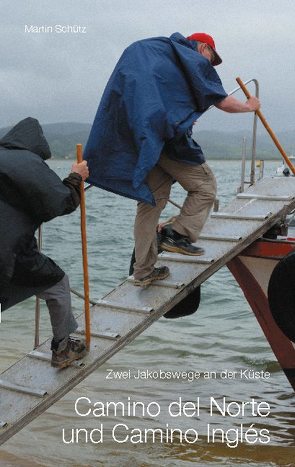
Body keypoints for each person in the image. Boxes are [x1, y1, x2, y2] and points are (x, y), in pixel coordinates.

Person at [84, 32, 260, 287]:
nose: (210, 64)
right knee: (205, 186)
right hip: (166, 139)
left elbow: (160, 95)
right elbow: (220, 100)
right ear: (203, 48)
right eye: (212, 56)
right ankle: (177, 234)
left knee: (150, 204)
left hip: (145, 139)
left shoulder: (160, 55)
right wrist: (249, 106)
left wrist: (181, 113)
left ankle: (143, 271)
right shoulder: (191, 59)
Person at [0, 117, 89, 368]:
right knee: (58, 283)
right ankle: (62, 348)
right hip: (8, 251)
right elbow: (62, 202)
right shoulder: (27, 162)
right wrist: (76, 176)